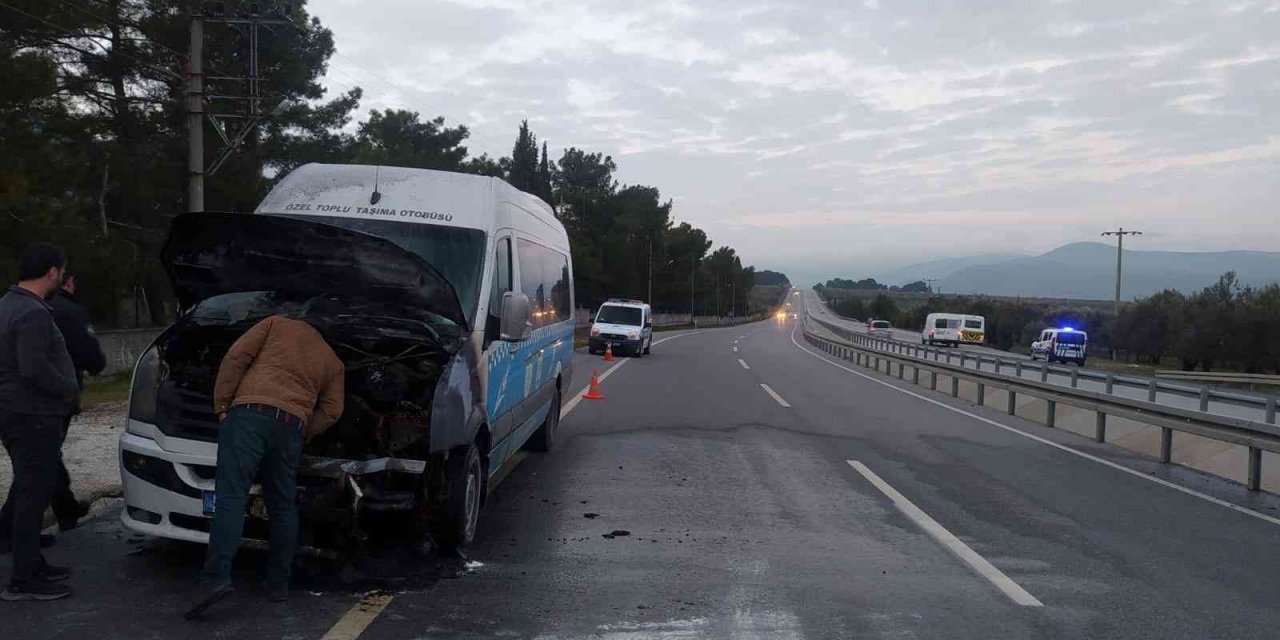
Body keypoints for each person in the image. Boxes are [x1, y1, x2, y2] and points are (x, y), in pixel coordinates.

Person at [185, 314, 344, 620]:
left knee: (230, 498)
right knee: (283, 504)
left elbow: (235, 357)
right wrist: (305, 429)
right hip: (291, 427)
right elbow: (333, 410)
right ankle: (278, 585)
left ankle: (215, 580)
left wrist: (221, 405)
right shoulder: (333, 360)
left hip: (249, 415)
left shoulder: (274, 324)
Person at [0, 244, 79, 602]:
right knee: (34, 496)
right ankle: (23, 580)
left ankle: (32, 562)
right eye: (60, 270)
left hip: (16, 413)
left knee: (31, 490)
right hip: (33, 415)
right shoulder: (32, 313)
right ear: (52, 272)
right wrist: (67, 389)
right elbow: (33, 367)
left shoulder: (7, 304)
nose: (61, 276)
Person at [46, 273, 106, 532]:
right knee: (43, 457)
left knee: (43, 455)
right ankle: (9, 526)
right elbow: (90, 355)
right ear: (67, 281)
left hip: (19, 396)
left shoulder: (19, 306)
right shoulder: (69, 312)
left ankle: (65, 507)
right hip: (56, 395)